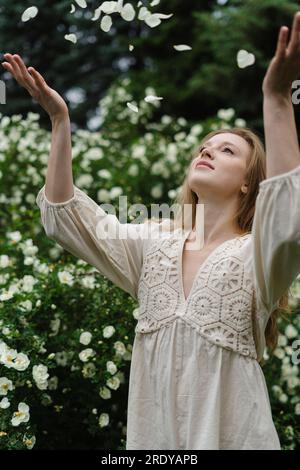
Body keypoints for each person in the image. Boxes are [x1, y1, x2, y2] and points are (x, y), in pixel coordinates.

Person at [2, 11, 300, 449]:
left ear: (247, 182)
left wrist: (276, 99)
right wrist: (60, 121)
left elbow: (289, 219)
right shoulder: (155, 244)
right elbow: (69, 220)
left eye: (227, 150)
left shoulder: (258, 255)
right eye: (205, 146)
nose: (207, 150)